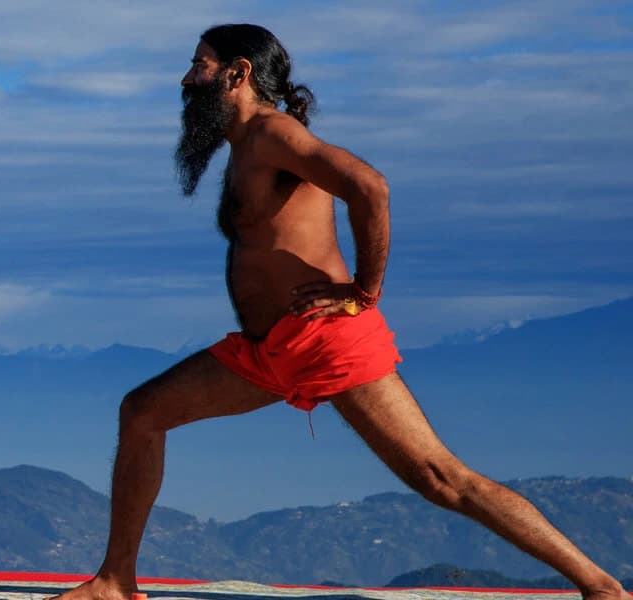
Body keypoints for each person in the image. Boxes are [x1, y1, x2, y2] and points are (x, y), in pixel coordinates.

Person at [47, 23, 629, 600]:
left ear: (238, 73)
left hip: (326, 339)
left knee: (440, 479)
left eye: (199, 64)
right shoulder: (246, 146)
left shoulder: (274, 134)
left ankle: (601, 587)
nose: (186, 78)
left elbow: (369, 187)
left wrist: (363, 291)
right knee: (143, 412)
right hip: (267, 351)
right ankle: (114, 581)